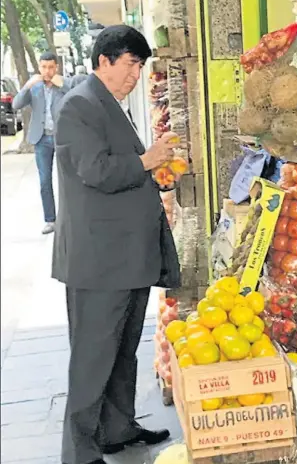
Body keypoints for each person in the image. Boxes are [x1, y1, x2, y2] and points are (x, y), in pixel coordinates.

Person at [52, 25, 180, 464]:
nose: (136, 76)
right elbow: (97, 170)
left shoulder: (109, 104)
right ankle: (80, 453)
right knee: (92, 358)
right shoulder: (79, 106)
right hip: (98, 261)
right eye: (131, 65)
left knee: (122, 351)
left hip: (125, 257)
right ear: (104, 61)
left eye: (141, 67)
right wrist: (147, 160)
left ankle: (117, 428)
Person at [12, 52, 72, 235]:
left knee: (67, 180)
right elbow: (16, 104)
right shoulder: (35, 88)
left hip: (62, 139)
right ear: (39, 68)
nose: (47, 71)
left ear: (57, 67)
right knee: (45, 180)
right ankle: (50, 220)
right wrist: (28, 85)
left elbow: (77, 98)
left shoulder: (62, 85)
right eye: (44, 67)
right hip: (41, 139)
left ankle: (69, 218)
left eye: (51, 67)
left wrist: (63, 85)